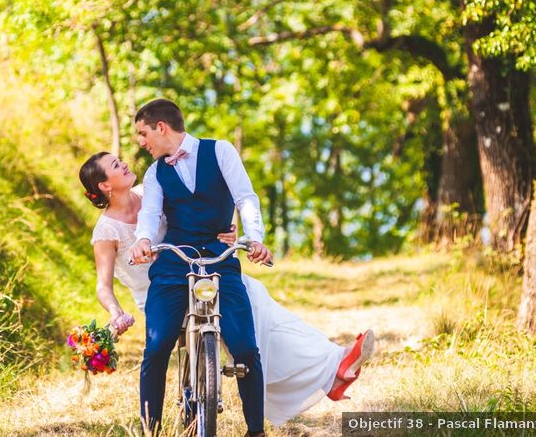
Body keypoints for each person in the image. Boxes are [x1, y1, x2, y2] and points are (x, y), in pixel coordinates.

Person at [78, 102, 374, 433]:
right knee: (157, 346)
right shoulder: (153, 174)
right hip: (172, 266)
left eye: (143, 134)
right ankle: (152, 431)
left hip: (219, 258)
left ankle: (257, 429)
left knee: (246, 345)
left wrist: (253, 237)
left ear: (161, 128)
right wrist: (144, 239)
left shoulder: (220, 151)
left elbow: (246, 198)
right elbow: (149, 216)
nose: (141, 143)